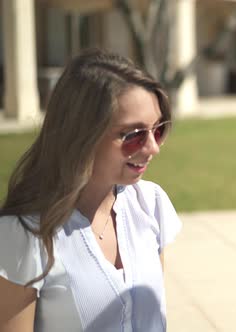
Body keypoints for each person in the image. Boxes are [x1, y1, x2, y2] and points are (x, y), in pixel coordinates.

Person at [0, 49, 182, 331]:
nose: (153, 148)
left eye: (158, 130)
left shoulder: (150, 203)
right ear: (82, 133)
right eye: (133, 135)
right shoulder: (25, 233)